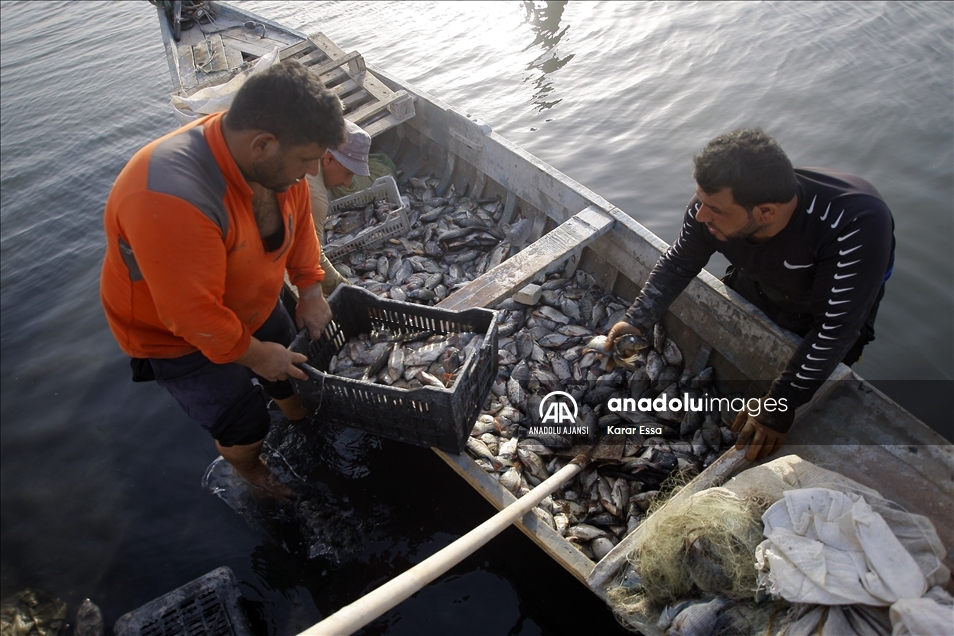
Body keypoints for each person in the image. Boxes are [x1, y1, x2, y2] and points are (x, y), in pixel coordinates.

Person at [100, 59, 346, 497]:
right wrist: (254, 355)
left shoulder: (269, 164)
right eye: (308, 159)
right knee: (244, 420)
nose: (312, 172)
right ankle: (251, 472)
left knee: (294, 367)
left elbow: (300, 221)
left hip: (252, 297)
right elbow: (191, 317)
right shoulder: (169, 196)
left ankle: (301, 418)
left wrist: (309, 289)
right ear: (263, 144)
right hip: (176, 336)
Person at [607, 128, 895, 461]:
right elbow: (679, 263)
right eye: (700, 199)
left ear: (766, 213)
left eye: (714, 208)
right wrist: (636, 321)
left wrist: (778, 406)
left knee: (813, 383)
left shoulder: (855, 226)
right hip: (758, 278)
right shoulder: (710, 209)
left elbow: (836, 328)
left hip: (827, 306)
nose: (701, 215)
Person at [304, 120, 371, 296]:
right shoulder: (315, 196)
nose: (348, 183)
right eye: (348, 173)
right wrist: (349, 290)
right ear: (328, 159)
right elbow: (311, 259)